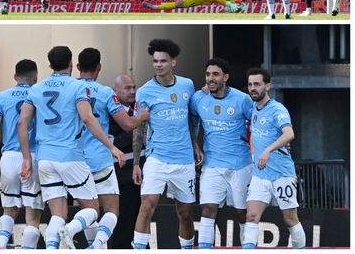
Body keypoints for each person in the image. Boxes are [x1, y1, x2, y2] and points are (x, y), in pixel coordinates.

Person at [18, 46, 125, 250]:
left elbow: (22, 123)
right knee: (92, 210)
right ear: (70, 64)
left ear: (50, 64)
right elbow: (87, 118)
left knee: (58, 214)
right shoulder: (77, 86)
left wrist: (26, 158)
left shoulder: (36, 88)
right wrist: (111, 147)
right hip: (70, 156)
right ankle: (70, 230)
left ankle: (52, 248)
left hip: (45, 158)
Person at [132, 39, 200, 250]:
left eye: (163, 61)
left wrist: (195, 144)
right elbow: (139, 128)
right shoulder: (144, 91)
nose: (158, 65)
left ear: (173, 62)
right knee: (147, 205)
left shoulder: (187, 85)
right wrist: (136, 163)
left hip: (183, 159)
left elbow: (190, 118)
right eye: (155, 61)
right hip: (157, 158)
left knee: (185, 213)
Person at [76, 48, 143, 249]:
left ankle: (84, 241)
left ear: (77, 66)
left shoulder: (70, 89)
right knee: (112, 211)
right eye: (127, 87)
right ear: (99, 67)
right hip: (101, 158)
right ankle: (94, 245)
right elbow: (127, 124)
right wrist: (143, 116)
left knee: (89, 210)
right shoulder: (105, 93)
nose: (132, 91)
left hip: (73, 160)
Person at [188, 58, 255, 249]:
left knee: (242, 212)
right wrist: (195, 145)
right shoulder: (198, 98)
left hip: (240, 165)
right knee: (208, 209)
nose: (211, 78)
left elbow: (258, 123)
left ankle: (248, 249)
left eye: (215, 74)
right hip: (212, 165)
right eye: (208, 74)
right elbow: (191, 121)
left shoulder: (242, 99)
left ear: (225, 77)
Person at [0, 59, 43, 250]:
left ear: (15, 76)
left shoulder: (0, 97)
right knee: (32, 215)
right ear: (35, 77)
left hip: (8, 157)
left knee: (9, 210)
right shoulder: (40, 95)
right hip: (32, 156)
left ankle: (0, 246)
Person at [242, 68, 306, 249]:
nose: (253, 88)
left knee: (290, 219)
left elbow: (289, 133)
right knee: (251, 216)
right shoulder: (253, 107)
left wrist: (268, 150)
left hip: (282, 174)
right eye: (250, 84)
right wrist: (207, 90)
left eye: (257, 84)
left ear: (267, 86)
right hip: (260, 175)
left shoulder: (277, 109)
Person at [107, 74, 143, 249]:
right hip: (119, 174)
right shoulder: (109, 112)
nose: (132, 91)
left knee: (139, 216)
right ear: (115, 91)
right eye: (127, 88)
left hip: (141, 172)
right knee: (122, 219)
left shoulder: (139, 107)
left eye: (134, 87)